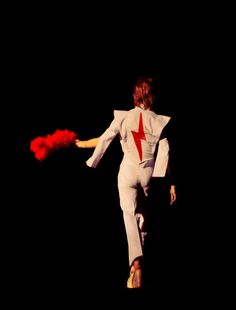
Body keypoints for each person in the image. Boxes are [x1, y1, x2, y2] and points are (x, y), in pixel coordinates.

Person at [75, 76, 176, 289]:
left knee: (129, 215)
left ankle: (135, 263)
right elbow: (166, 153)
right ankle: (137, 266)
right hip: (148, 174)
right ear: (152, 96)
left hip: (127, 173)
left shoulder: (124, 117)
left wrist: (86, 151)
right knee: (144, 219)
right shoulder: (159, 121)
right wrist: (170, 183)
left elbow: (104, 139)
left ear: (135, 95)